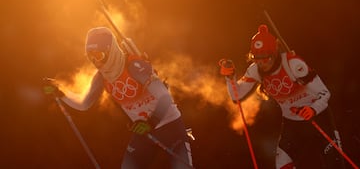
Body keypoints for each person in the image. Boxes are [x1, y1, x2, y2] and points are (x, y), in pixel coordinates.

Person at [47, 27, 193, 169]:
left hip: (169, 126)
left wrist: (151, 121)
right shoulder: (101, 77)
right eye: (90, 57)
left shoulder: (134, 66)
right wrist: (61, 92)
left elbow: (165, 98)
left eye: (98, 55)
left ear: (110, 51)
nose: (95, 62)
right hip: (144, 131)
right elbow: (84, 104)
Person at [219, 24, 344, 169]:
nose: (261, 63)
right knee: (282, 164)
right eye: (256, 58)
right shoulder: (255, 70)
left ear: (274, 53)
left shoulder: (293, 64)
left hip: (318, 118)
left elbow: (325, 93)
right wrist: (230, 77)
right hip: (292, 124)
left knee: (334, 164)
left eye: (265, 59)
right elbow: (236, 95)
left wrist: (313, 109)